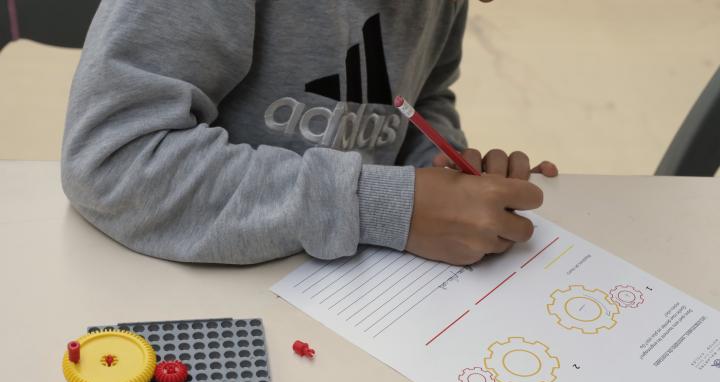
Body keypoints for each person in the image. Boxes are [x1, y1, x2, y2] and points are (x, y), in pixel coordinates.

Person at [61, 0, 558, 267]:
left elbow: (423, 99)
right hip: (204, 292)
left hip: (352, 293)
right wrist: (382, 204)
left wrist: (447, 170)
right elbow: (113, 162)